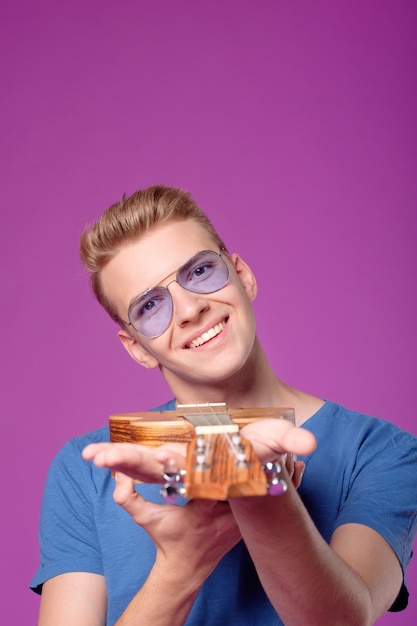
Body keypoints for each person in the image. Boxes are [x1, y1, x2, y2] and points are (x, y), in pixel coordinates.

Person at [31, 184, 417, 626]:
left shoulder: (384, 452)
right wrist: (181, 566)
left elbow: (341, 620)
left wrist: (257, 487)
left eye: (199, 272)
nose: (191, 309)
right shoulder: (85, 470)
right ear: (136, 348)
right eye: (151, 305)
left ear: (242, 275)